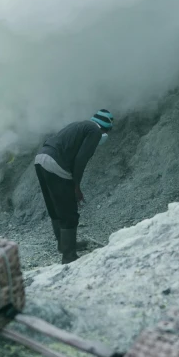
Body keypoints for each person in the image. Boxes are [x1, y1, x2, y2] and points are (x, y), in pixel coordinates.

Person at [34, 109, 114, 263]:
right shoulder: (95, 131)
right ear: (105, 128)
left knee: (54, 207)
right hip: (56, 162)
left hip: (40, 159)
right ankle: (68, 255)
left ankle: (63, 246)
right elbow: (81, 159)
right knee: (69, 211)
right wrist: (76, 186)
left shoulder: (79, 125)